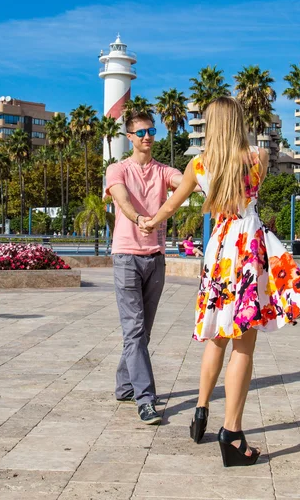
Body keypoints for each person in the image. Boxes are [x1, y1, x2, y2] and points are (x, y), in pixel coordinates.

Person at [141, 97, 300, 466]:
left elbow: (169, 207)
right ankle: (231, 433)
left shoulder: (199, 165)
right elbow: (251, 191)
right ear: (239, 122)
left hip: (220, 251)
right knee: (243, 344)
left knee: (217, 336)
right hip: (248, 246)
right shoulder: (257, 157)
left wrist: (148, 223)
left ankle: (201, 410)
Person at [105, 110, 183, 425]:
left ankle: (125, 385)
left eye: (151, 131)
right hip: (126, 256)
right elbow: (122, 199)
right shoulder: (116, 169)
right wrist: (140, 219)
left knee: (142, 331)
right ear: (130, 137)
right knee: (134, 329)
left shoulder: (164, 170)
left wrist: (203, 180)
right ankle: (145, 399)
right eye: (140, 132)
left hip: (155, 258)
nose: (147, 136)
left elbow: (182, 182)